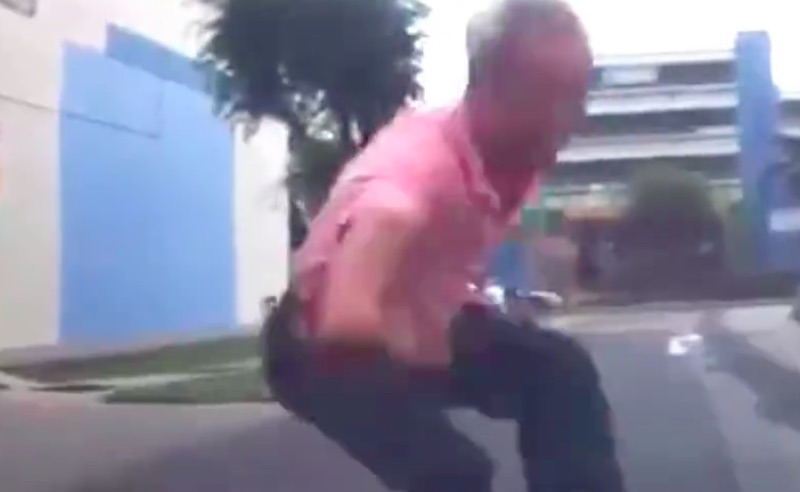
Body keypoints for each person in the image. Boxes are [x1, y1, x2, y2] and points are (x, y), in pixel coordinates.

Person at [263, 1, 627, 491]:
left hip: (423, 312)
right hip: (320, 345)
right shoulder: (410, 179)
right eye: (546, 98)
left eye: (576, 99)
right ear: (488, 89)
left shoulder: (513, 151)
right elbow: (344, 320)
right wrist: (423, 348)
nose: (567, 122)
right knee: (452, 473)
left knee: (561, 370)